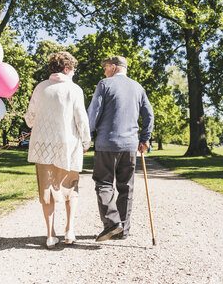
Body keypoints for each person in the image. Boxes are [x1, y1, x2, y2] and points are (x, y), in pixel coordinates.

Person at [25, 51, 91, 249]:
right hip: (68, 146)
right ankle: (70, 230)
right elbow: (81, 119)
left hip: (42, 147)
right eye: (73, 69)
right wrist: (86, 142)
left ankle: (50, 235)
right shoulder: (74, 89)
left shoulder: (40, 88)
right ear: (67, 68)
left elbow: (30, 119)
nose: (74, 73)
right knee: (71, 187)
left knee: (47, 191)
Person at [88, 56, 154, 242]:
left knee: (103, 183)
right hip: (130, 146)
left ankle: (112, 223)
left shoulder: (105, 84)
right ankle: (123, 229)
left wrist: (86, 135)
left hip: (106, 144)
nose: (104, 71)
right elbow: (149, 115)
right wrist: (145, 138)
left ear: (114, 67)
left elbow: (94, 113)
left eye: (106, 67)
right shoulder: (138, 87)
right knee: (126, 187)